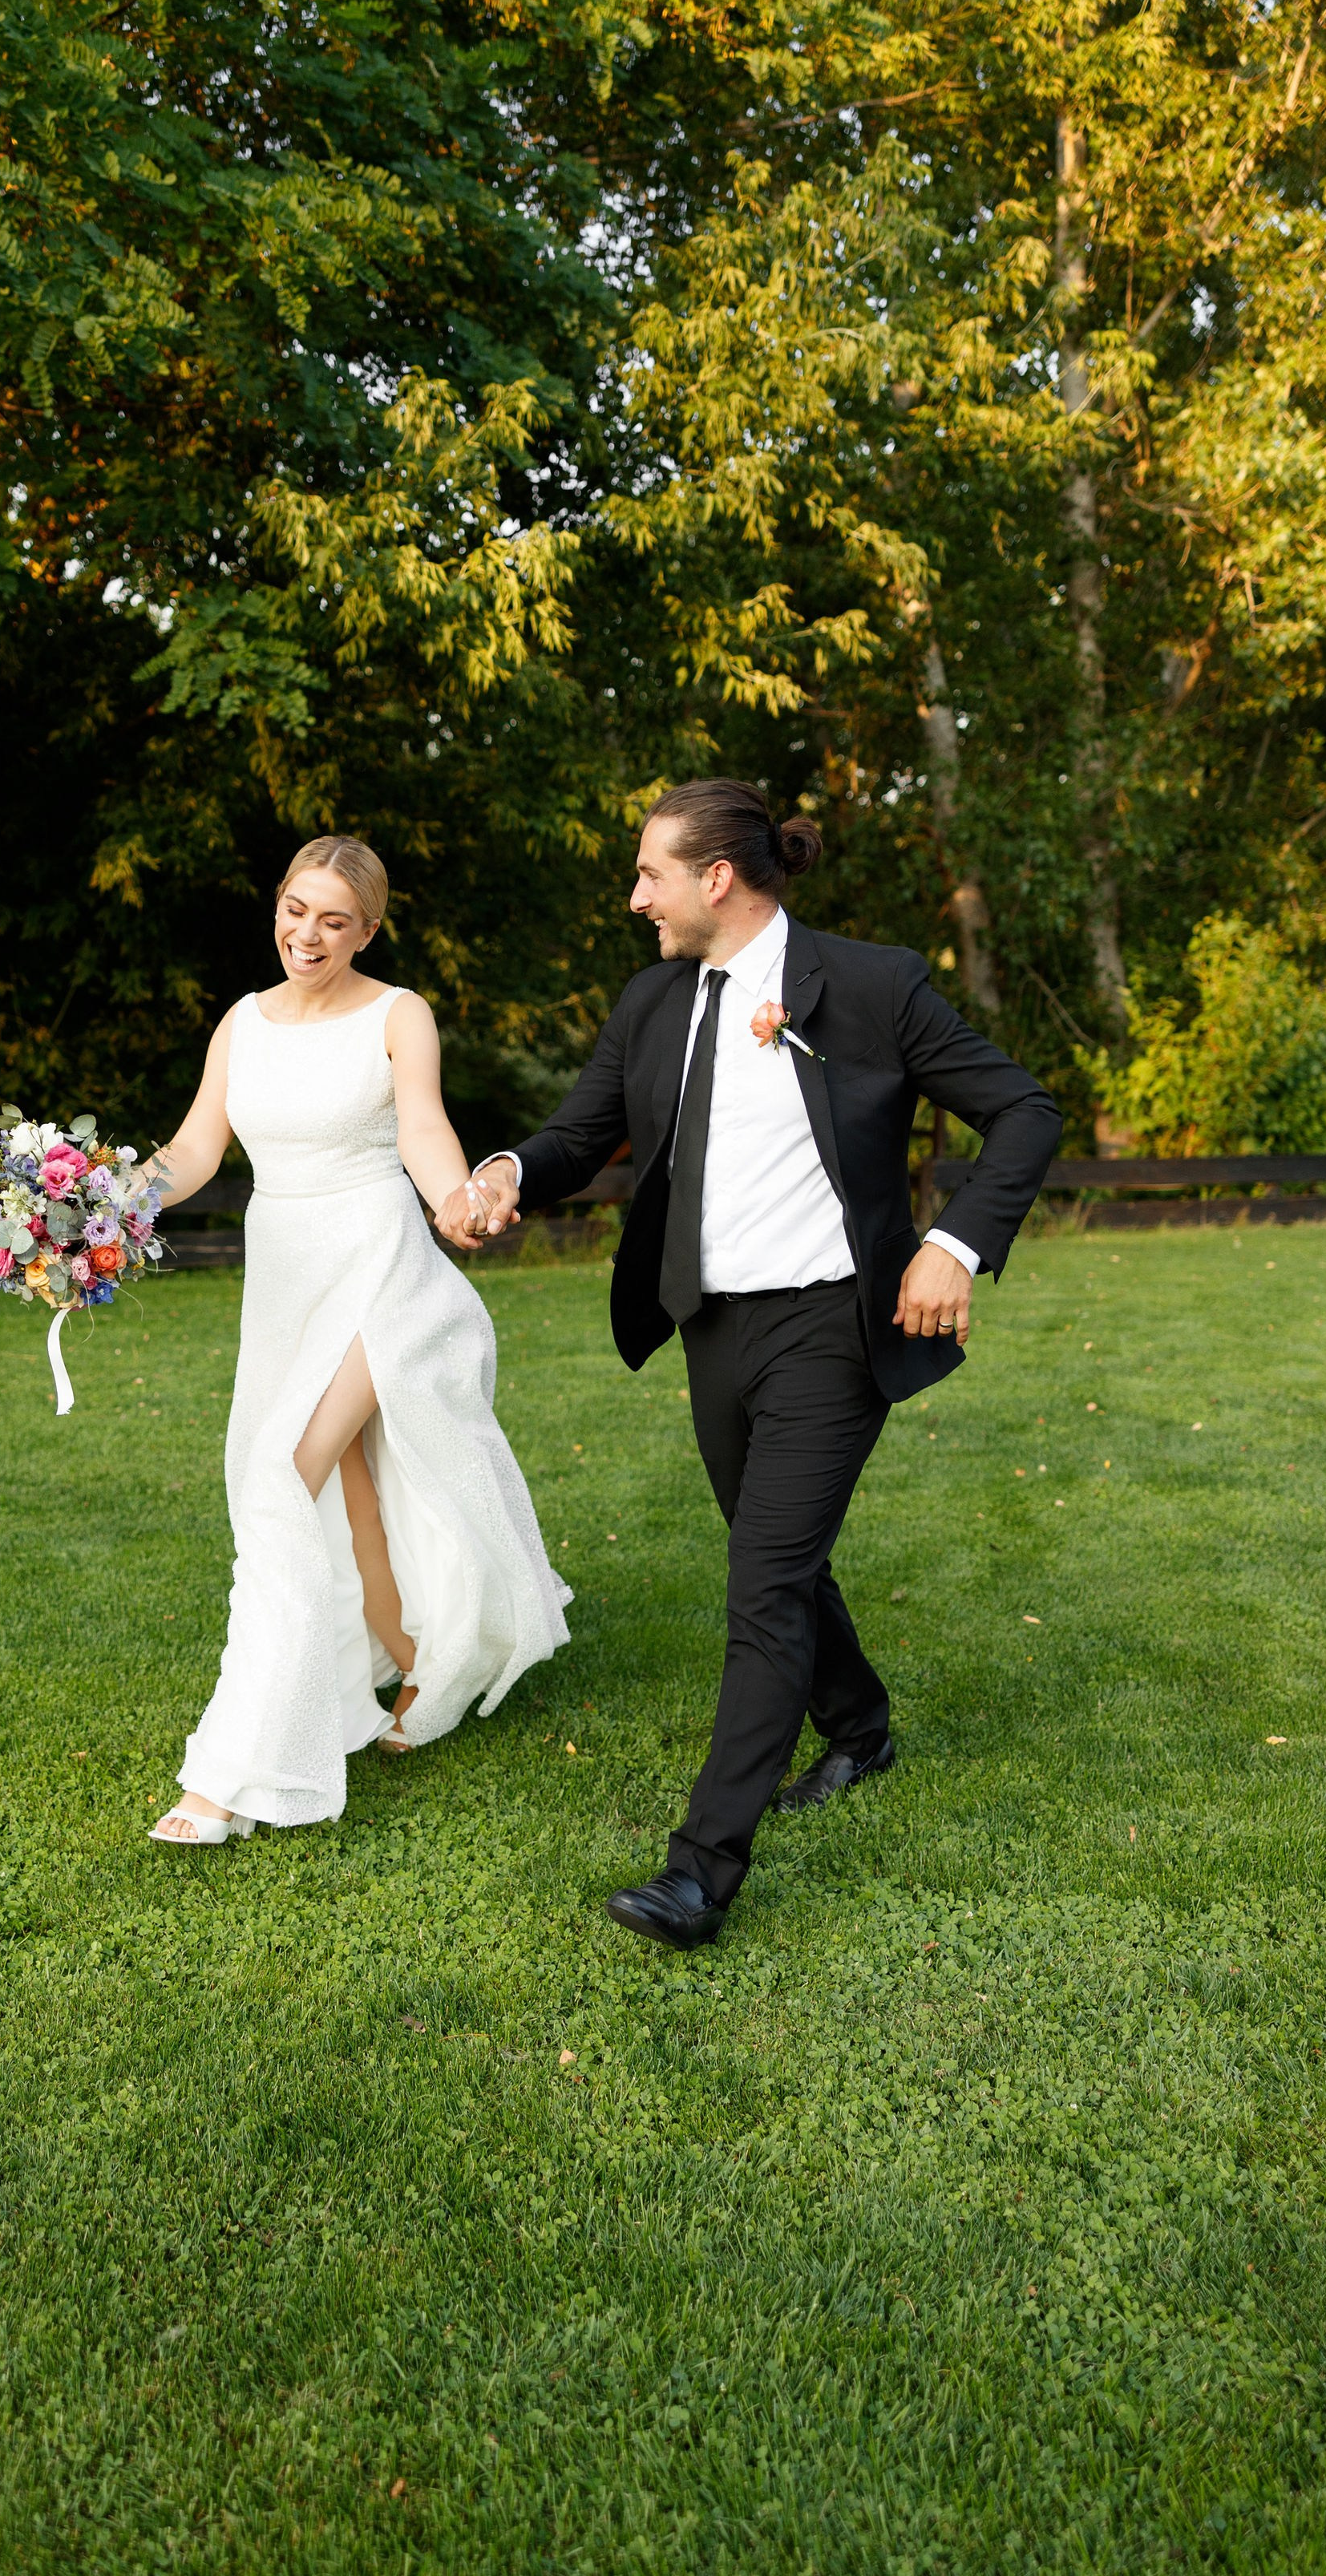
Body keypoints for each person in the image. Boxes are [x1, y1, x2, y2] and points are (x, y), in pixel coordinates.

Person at [436, 779, 1060, 1949]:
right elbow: (581, 1132)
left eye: (650, 876)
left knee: (764, 1584)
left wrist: (953, 1246)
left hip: (835, 1328)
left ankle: (700, 1872)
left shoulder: (872, 986)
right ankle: (861, 1726)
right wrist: (513, 1170)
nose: (636, 899)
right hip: (713, 1328)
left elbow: (1023, 1110)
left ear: (715, 879)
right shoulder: (656, 1000)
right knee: (777, 1552)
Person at [139, 835, 570, 1846]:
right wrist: (100, 1207)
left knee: (282, 1475)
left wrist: (456, 1198)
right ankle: (419, 1657)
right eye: (297, 910)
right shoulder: (241, 1024)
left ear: (368, 929)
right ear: (278, 907)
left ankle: (234, 1773)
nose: (309, 934)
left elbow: (421, 1126)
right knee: (352, 1484)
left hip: (385, 1275)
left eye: (335, 920)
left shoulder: (397, 1013)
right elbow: (198, 1148)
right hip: (288, 1283)